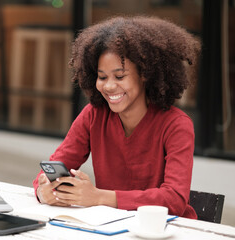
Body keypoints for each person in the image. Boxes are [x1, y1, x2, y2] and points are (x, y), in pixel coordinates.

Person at [33, 16, 201, 219]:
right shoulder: (93, 115)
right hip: (111, 227)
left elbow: (173, 199)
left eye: (119, 76)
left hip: (167, 230)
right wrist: (44, 191)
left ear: (145, 75)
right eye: (102, 77)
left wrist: (98, 197)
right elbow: (52, 167)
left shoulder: (176, 125)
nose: (109, 86)